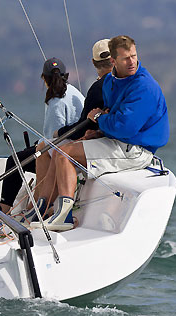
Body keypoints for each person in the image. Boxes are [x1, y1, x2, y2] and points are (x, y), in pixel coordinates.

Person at [38, 35, 169, 231]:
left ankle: (64, 217)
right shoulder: (110, 82)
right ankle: (49, 210)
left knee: (64, 153)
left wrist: (99, 119)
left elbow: (124, 127)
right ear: (113, 61)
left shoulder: (143, 87)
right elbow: (112, 117)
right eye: (126, 58)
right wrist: (98, 131)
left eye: (134, 56)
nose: (132, 61)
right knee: (60, 150)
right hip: (117, 142)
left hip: (137, 150)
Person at [30, 39, 114, 218]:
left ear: (93, 63)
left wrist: (59, 133)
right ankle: (42, 207)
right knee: (48, 148)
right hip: (101, 138)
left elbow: (82, 128)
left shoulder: (98, 87)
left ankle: (41, 206)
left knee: (46, 149)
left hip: (101, 143)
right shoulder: (83, 89)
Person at [0, 57, 84, 215]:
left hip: (64, 150)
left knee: (15, 161)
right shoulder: (74, 92)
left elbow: (54, 138)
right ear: (66, 75)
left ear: (44, 78)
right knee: (30, 152)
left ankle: (3, 210)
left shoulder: (55, 99)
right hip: (78, 145)